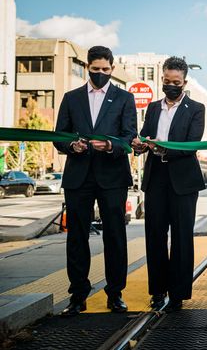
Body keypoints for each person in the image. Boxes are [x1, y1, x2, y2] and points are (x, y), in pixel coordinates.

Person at [54, 45, 137, 316]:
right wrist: (70, 147)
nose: (100, 73)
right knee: (77, 238)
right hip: (79, 177)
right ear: (87, 68)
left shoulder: (124, 98)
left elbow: (128, 137)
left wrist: (111, 147)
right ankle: (78, 295)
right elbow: (59, 137)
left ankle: (115, 293)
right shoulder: (71, 98)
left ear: (112, 69)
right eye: (95, 69)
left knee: (115, 237)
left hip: (112, 176)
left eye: (105, 69)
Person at [131, 56, 206, 313]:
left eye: (176, 82)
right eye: (166, 80)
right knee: (155, 237)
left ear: (184, 82)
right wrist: (140, 145)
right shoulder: (153, 108)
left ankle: (178, 293)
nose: (170, 85)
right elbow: (145, 135)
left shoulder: (196, 108)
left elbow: (191, 144)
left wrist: (161, 148)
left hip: (183, 181)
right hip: (156, 180)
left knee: (183, 238)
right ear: (162, 78)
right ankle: (158, 291)